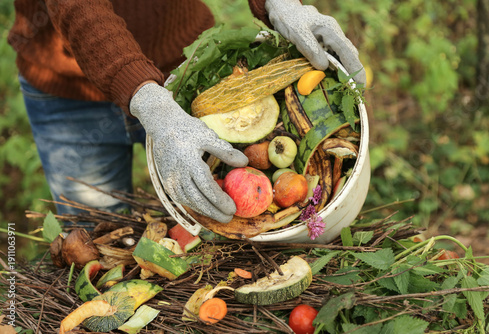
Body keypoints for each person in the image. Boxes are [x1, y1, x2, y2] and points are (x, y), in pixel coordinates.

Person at [8, 0, 365, 224]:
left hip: (185, 70)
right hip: (70, 91)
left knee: (193, 235)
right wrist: (150, 103)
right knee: (94, 231)